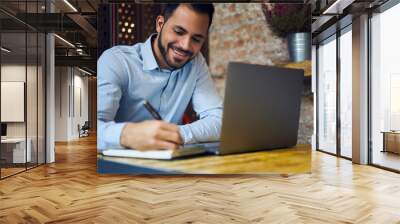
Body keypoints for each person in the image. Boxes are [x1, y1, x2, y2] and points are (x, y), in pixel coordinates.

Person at [97, 3, 222, 151]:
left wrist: (175, 135)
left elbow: (218, 120)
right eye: (179, 32)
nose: (185, 46)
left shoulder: (195, 62)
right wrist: (126, 135)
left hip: (171, 164)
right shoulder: (116, 60)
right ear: (160, 24)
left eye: (196, 39)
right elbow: (96, 127)